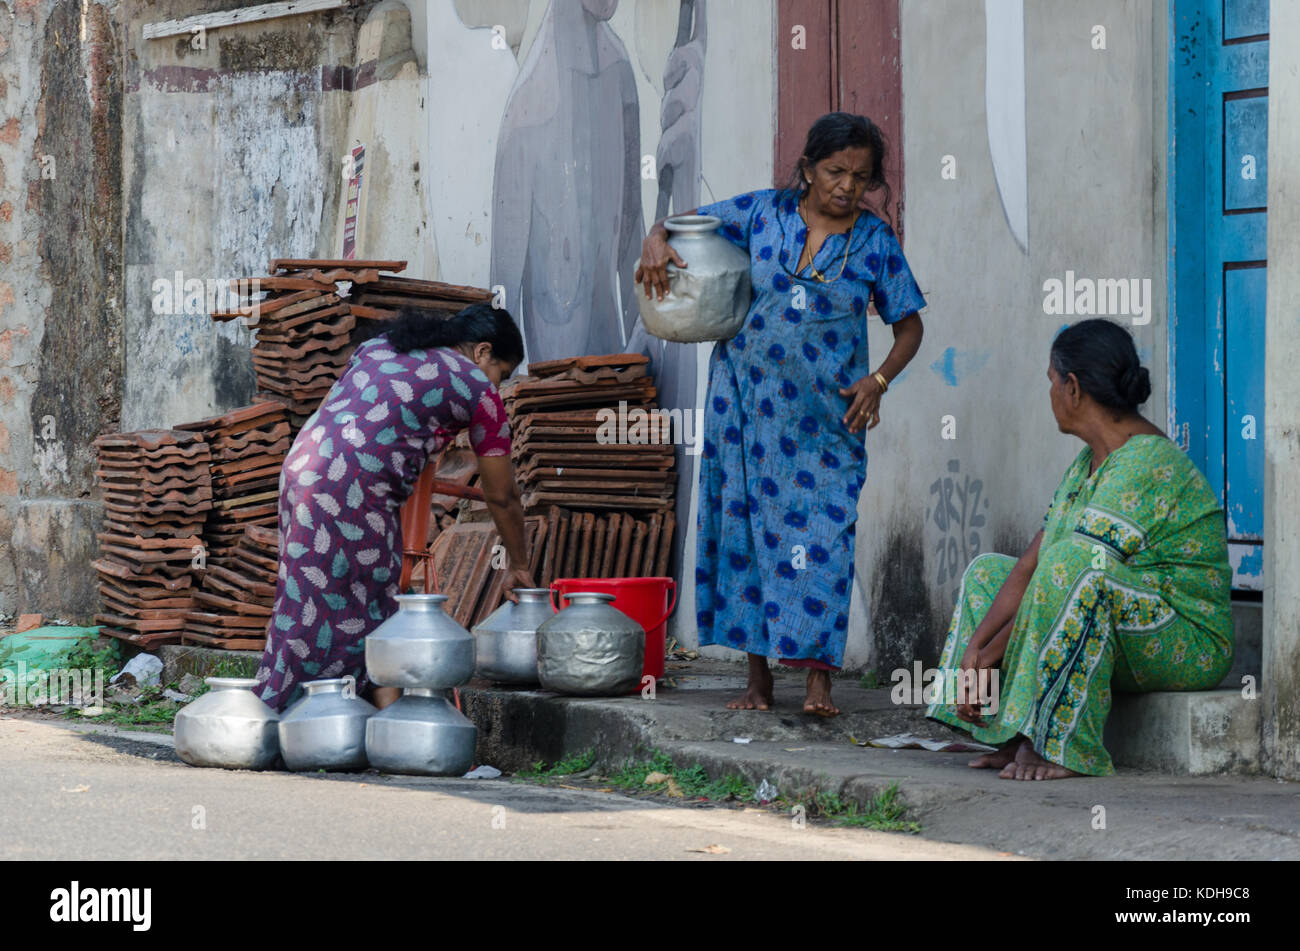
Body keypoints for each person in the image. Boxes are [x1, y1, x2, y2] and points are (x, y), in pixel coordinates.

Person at [636, 112, 927, 716]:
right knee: (744, 531)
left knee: (824, 536)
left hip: (828, 418)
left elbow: (909, 326)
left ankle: (819, 681)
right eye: (834, 171)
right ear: (807, 168)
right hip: (744, 404)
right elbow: (680, 224)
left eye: (860, 176)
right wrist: (654, 240)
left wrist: (878, 381)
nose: (846, 186)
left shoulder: (875, 242)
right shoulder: (762, 213)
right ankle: (759, 681)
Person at [926, 319, 1233, 779]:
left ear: (1072, 388)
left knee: (1075, 565)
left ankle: (1057, 744)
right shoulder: (1088, 463)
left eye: (1051, 381)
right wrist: (975, 650)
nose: (1048, 393)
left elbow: (1071, 576)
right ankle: (1003, 729)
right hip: (1124, 623)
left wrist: (991, 656)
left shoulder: (1147, 461)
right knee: (989, 571)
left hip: (1184, 639)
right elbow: (1032, 562)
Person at [254, 303, 536, 713]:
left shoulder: (379, 347)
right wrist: (519, 563)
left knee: (309, 598)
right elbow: (503, 495)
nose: (499, 386)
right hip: (353, 488)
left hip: (302, 469)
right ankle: (301, 715)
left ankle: (326, 712)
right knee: (363, 609)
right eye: (502, 373)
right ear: (482, 352)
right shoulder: (478, 389)